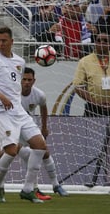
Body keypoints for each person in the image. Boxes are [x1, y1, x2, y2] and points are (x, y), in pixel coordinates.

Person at [0, 26, 48, 203]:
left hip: (17, 111)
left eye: (4, 41)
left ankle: (27, 189)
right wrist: (1, 96)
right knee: (11, 150)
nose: (0, 44)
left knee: (40, 145)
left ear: (12, 41)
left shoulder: (20, 61)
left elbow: (14, 86)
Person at [19, 67, 68, 199]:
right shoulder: (13, 93)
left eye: (29, 80)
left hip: (30, 127)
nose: (26, 82)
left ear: (34, 81)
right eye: (24, 79)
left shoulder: (39, 94)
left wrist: (44, 127)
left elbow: (44, 108)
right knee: (6, 155)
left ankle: (55, 185)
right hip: (15, 130)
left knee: (44, 152)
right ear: (20, 80)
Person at [73, 33, 110, 117]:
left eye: (105, 40)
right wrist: (95, 103)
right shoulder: (84, 62)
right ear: (95, 43)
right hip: (93, 109)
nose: (102, 42)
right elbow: (78, 87)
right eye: (99, 40)